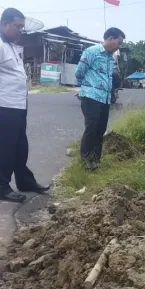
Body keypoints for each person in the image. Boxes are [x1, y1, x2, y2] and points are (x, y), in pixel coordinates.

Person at [0, 8, 50, 203]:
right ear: (4, 24)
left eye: (22, 26)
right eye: (17, 26)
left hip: (18, 104)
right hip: (5, 106)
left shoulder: (11, 45)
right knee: (6, 148)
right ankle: (2, 186)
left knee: (20, 147)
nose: (21, 30)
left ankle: (25, 181)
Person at [75, 27, 125, 171]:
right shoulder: (92, 52)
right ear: (110, 38)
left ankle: (96, 160)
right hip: (90, 96)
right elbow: (79, 72)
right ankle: (86, 161)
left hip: (105, 99)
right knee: (91, 128)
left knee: (100, 130)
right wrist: (85, 87)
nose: (119, 46)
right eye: (119, 42)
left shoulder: (110, 57)